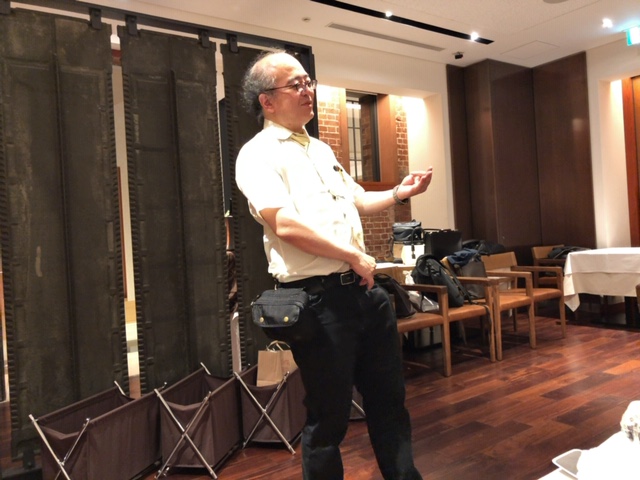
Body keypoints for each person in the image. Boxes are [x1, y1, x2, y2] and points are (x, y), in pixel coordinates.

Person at [235, 50, 433, 480]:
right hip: (319, 303)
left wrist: (399, 193)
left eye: (308, 82)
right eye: (296, 84)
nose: (307, 90)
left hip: (365, 294)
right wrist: (352, 255)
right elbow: (284, 224)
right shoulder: (257, 154)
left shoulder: (320, 148)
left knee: (390, 402)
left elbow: (357, 199)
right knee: (328, 418)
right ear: (267, 101)